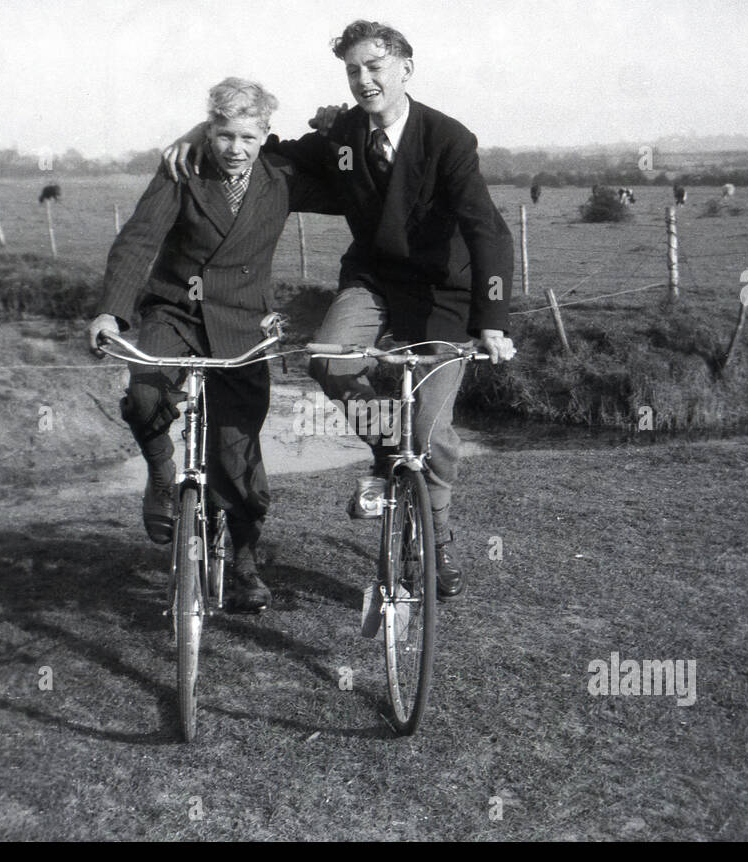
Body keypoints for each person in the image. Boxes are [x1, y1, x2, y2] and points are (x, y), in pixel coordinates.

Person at [165, 20, 516, 602]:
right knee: (328, 359)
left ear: (406, 67)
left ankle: (436, 541)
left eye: (374, 66)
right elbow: (267, 150)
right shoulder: (346, 132)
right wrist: (199, 133)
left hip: (441, 295)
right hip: (372, 281)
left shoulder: (449, 139)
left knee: (430, 429)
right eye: (353, 70)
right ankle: (384, 445)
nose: (363, 80)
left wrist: (494, 321)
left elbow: (487, 229)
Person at [88, 77, 342, 612]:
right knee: (146, 397)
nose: (236, 149)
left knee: (238, 457)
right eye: (225, 135)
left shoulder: (281, 178)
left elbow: (351, 176)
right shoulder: (183, 170)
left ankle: (245, 562)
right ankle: (161, 471)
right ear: (210, 130)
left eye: (249, 138)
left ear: (265, 135)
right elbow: (139, 238)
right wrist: (112, 311)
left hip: (244, 326)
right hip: (174, 311)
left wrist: (336, 128)